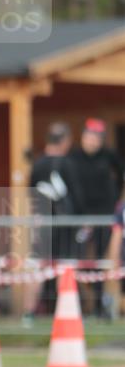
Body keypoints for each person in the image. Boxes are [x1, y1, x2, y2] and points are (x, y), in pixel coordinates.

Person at [23, 121, 84, 323]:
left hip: (42, 223)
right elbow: (77, 196)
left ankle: (28, 315)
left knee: (37, 268)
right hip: (64, 225)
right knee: (65, 268)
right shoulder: (68, 164)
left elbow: (31, 193)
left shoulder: (37, 164)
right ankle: (65, 314)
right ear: (65, 141)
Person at [67, 117, 124, 316]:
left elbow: (121, 176)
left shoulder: (109, 156)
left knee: (101, 260)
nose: (93, 141)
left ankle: (99, 304)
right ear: (83, 137)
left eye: (97, 138)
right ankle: (79, 304)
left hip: (104, 216)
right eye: (90, 136)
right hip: (81, 217)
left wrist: (115, 201)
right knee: (79, 259)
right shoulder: (73, 157)